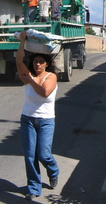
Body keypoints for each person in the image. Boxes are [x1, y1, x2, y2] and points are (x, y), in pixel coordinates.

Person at [16, 31, 59, 201]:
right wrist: (22, 41)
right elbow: (19, 61)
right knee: (30, 155)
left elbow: (44, 92)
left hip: (46, 121)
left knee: (43, 154)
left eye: (41, 62)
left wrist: (30, 80)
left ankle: (53, 170)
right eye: (35, 62)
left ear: (47, 64)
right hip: (27, 119)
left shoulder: (51, 77)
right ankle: (34, 187)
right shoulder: (28, 75)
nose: (37, 65)